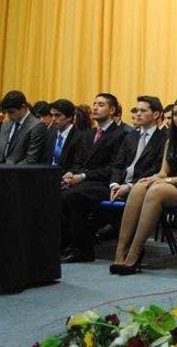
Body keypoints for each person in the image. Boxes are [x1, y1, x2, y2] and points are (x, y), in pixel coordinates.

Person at [108, 96, 174, 275]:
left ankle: (128, 251)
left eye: (143, 110)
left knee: (139, 190)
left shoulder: (165, 138)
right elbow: (118, 164)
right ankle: (121, 250)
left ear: (157, 114)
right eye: (136, 110)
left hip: (143, 186)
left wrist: (129, 186)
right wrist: (115, 183)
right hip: (121, 184)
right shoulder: (131, 135)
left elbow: (157, 169)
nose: (137, 114)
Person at [59, 93, 128, 263]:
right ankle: (62, 244)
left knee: (74, 195)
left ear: (112, 110)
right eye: (94, 104)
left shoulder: (121, 134)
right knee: (56, 190)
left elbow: (113, 167)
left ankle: (82, 249)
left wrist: (82, 176)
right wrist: (71, 174)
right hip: (84, 181)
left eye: (101, 104)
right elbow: (78, 161)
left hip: (104, 183)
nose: (95, 108)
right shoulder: (88, 134)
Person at [0, 91, 47, 164]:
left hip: (20, 172)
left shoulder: (36, 126)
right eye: (7, 112)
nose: (9, 116)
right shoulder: (6, 125)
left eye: (12, 112)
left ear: (23, 107)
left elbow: (31, 160)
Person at [41, 99, 84, 169]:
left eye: (57, 115)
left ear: (69, 117)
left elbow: (77, 164)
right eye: (52, 115)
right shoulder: (49, 133)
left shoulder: (80, 137)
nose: (53, 119)